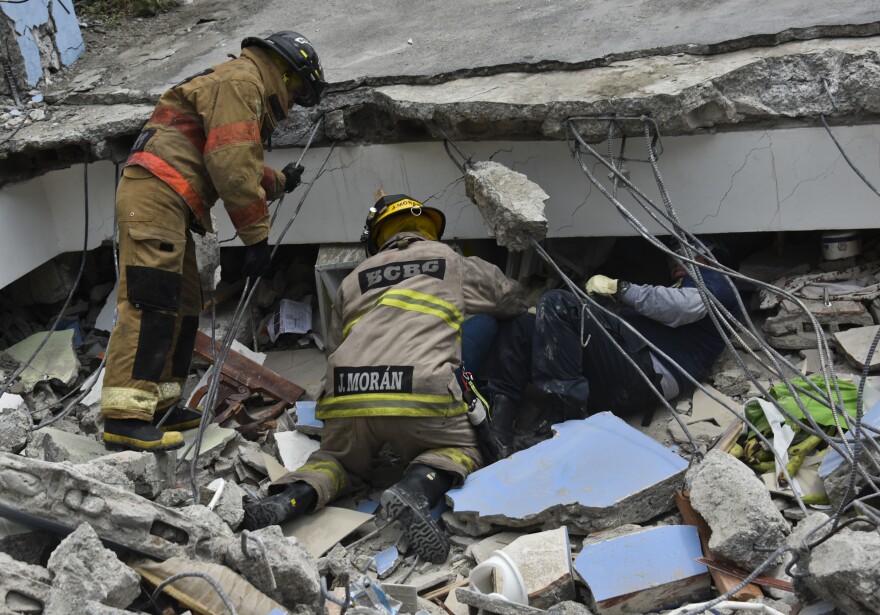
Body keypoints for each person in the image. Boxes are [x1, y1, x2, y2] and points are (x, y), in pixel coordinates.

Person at [243, 193, 527, 563]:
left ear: (377, 237)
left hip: (349, 398)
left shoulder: (353, 280)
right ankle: (416, 490)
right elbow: (509, 300)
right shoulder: (450, 262)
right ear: (427, 228)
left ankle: (291, 496)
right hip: (421, 395)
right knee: (461, 450)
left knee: (336, 461)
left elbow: (333, 349)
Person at [101, 32, 327, 452]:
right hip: (156, 194)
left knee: (184, 302)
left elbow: (229, 154)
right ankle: (124, 417)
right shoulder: (243, 83)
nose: (293, 103)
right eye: (297, 92)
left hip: (170, 198)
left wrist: (280, 181)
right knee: (150, 301)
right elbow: (229, 165)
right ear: (284, 72)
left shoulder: (241, 83)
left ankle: (163, 404)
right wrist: (256, 239)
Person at [483, 240, 741, 458]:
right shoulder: (677, 287)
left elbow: (683, 307)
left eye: (682, 252)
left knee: (557, 303)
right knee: (521, 324)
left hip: (648, 374)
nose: (674, 260)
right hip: (622, 369)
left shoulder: (717, 280)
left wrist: (621, 288)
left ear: (706, 256)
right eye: (671, 254)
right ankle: (499, 431)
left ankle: (564, 425)